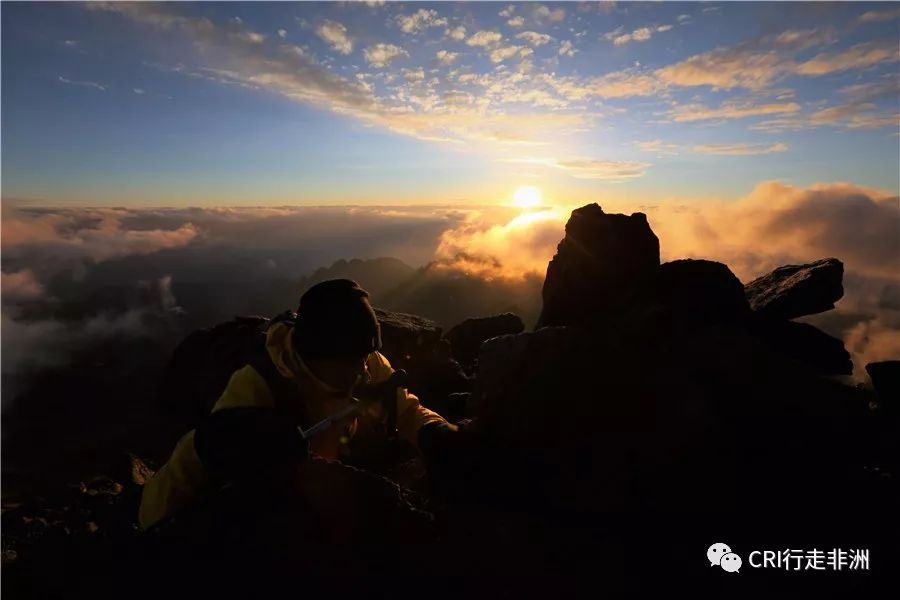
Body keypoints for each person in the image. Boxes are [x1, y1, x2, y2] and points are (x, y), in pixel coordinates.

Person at [138, 279, 454, 530]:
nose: (361, 370)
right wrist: (150, 526)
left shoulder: (366, 360)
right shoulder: (258, 384)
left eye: (364, 356)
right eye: (348, 361)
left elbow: (404, 405)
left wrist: (434, 430)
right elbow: (200, 452)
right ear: (313, 355)